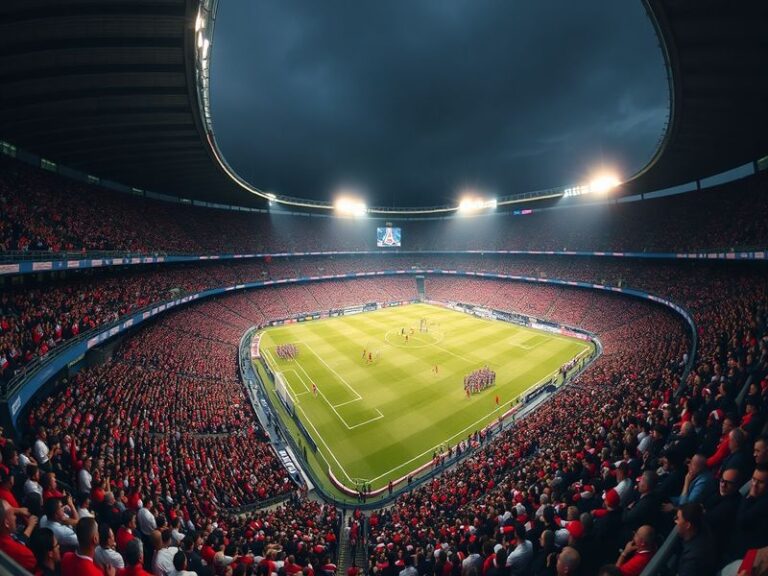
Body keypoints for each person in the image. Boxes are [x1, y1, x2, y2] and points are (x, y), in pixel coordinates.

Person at [673, 503, 716, 576]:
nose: (675, 521)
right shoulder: (703, 526)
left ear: (687, 525)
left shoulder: (692, 559)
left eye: (678, 518)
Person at [0, 499, 37, 573]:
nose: (15, 517)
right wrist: (30, 526)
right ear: (7, 523)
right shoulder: (25, 554)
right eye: (13, 514)